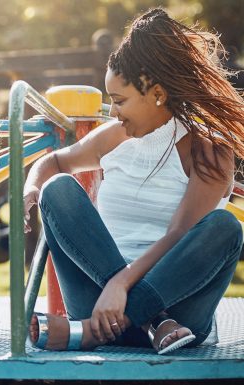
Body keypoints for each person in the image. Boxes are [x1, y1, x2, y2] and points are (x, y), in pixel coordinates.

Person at [24, 8, 244, 355]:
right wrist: (32, 187)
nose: (113, 112)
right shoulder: (114, 137)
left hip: (181, 317)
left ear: (156, 93)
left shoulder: (210, 150)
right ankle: (148, 321)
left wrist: (122, 284)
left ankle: (102, 331)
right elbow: (54, 162)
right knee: (58, 190)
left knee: (226, 227)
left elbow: (179, 232)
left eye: (119, 100)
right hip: (99, 305)